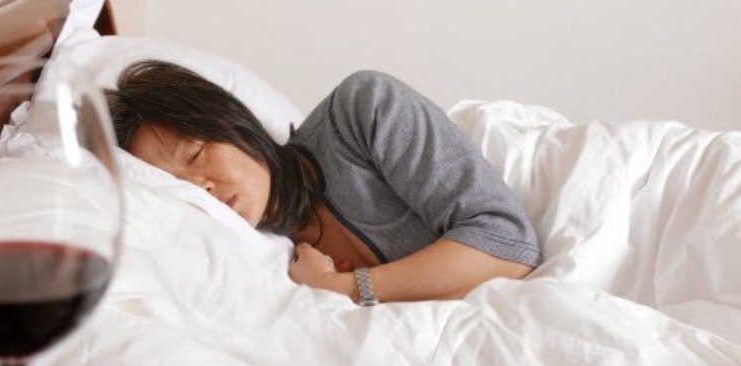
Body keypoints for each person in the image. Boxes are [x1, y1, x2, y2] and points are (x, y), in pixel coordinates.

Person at [105, 60, 541, 304]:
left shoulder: (361, 111)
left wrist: (347, 287)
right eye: (178, 184)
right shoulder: (254, 259)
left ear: (230, 121)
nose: (202, 188)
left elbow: (508, 245)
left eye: (196, 154)